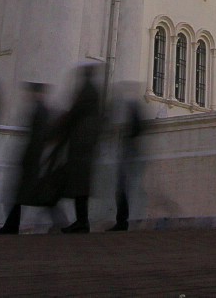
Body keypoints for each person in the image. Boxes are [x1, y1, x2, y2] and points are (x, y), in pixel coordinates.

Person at [50, 65, 104, 233]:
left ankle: (79, 221)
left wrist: (56, 129)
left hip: (80, 146)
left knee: (72, 184)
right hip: (84, 146)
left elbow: (74, 112)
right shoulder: (93, 93)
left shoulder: (87, 92)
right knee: (78, 186)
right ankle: (80, 220)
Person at [0, 82, 51, 234]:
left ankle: (11, 225)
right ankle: (11, 224)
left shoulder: (40, 110)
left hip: (32, 158)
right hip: (34, 158)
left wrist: (28, 156)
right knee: (24, 194)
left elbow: (38, 136)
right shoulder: (42, 110)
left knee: (26, 194)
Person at [110, 95, 146, 231]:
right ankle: (121, 220)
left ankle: (122, 221)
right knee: (122, 189)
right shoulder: (133, 114)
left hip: (127, 158)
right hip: (128, 158)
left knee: (122, 189)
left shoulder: (130, 117)